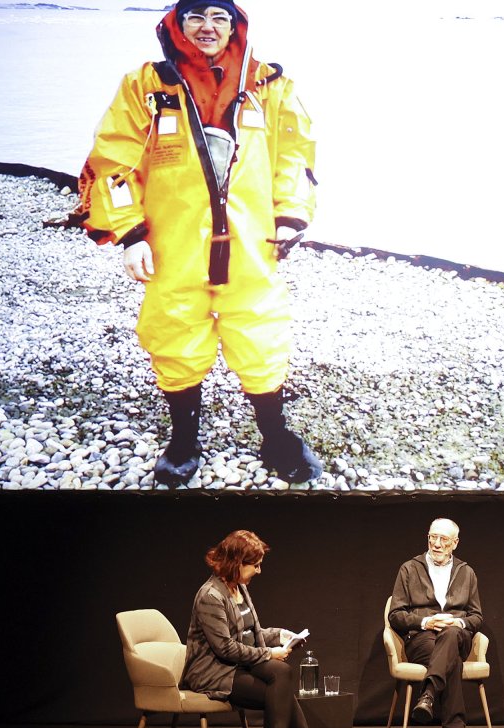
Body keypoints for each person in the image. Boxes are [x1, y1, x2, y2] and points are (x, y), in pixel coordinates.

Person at [79, 1, 322, 487]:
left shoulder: (267, 84)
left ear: (235, 25)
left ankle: (275, 435)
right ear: (177, 22)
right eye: (196, 16)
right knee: (173, 333)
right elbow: (114, 161)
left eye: (219, 17)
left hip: (253, 243)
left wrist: (292, 213)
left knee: (261, 335)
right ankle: (184, 438)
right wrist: (129, 233)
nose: (207, 28)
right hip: (174, 243)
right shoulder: (147, 86)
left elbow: (294, 153)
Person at [181, 530, 348, 728]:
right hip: (212, 672)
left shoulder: (239, 588)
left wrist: (280, 635)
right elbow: (225, 648)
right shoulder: (210, 596)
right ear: (237, 563)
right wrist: (270, 653)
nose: (259, 571)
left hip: (237, 666)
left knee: (281, 676)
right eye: (255, 565)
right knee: (281, 689)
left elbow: (250, 635)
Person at [388, 518, 483, 728]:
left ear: (455, 543)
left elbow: (476, 617)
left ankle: (428, 694)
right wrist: (424, 622)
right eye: (433, 537)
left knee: (450, 635)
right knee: (449, 662)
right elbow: (396, 615)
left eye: (443, 539)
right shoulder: (409, 568)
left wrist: (457, 622)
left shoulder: (467, 572)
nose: (436, 544)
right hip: (421, 638)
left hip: (457, 637)